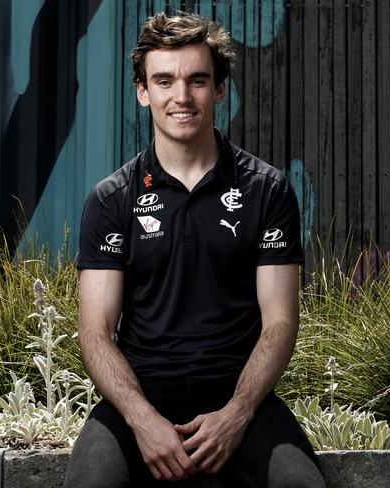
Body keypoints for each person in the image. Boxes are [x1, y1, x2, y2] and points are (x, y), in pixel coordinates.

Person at [63, 11, 326, 488]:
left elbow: (281, 322)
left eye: (197, 80)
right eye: (164, 81)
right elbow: (95, 332)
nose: (181, 97)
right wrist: (142, 420)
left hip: (241, 400)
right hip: (138, 400)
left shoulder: (267, 191)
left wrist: (237, 414)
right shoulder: (111, 199)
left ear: (219, 89)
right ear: (143, 91)